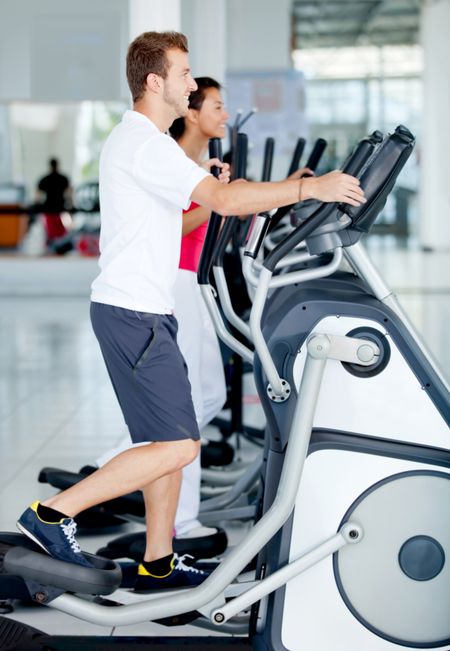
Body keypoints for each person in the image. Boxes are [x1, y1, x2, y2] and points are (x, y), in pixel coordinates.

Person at [17, 31, 365, 592]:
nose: (190, 83)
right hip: (133, 313)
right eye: (183, 74)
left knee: (168, 442)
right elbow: (224, 201)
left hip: (147, 310)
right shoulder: (143, 143)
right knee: (180, 443)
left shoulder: (146, 142)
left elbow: (219, 195)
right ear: (156, 82)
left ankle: (159, 560)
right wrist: (308, 191)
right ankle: (53, 515)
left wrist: (287, 188)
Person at [36, 158, 72, 250]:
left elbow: (38, 197)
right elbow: (69, 194)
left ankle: (55, 249)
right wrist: (70, 204)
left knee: (54, 233)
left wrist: (37, 205)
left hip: (51, 210)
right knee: (58, 234)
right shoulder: (63, 178)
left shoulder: (45, 179)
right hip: (58, 209)